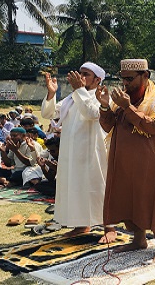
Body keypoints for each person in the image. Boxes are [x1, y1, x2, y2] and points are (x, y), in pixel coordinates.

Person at [98, 58, 155, 263]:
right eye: (122, 78)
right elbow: (108, 127)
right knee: (131, 198)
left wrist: (127, 107)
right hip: (127, 162)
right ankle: (139, 239)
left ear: (146, 76)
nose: (125, 83)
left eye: (130, 79)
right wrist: (106, 107)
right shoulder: (123, 98)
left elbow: (151, 127)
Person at [41, 63, 115, 241]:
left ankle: (109, 227)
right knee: (74, 187)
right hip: (71, 153)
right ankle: (82, 225)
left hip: (93, 151)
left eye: (86, 74)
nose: (81, 77)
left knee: (98, 186)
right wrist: (51, 93)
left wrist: (79, 89)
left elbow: (91, 112)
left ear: (97, 79)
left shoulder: (102, 96)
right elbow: (48, 113)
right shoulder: (70, 99)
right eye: (80, 73)